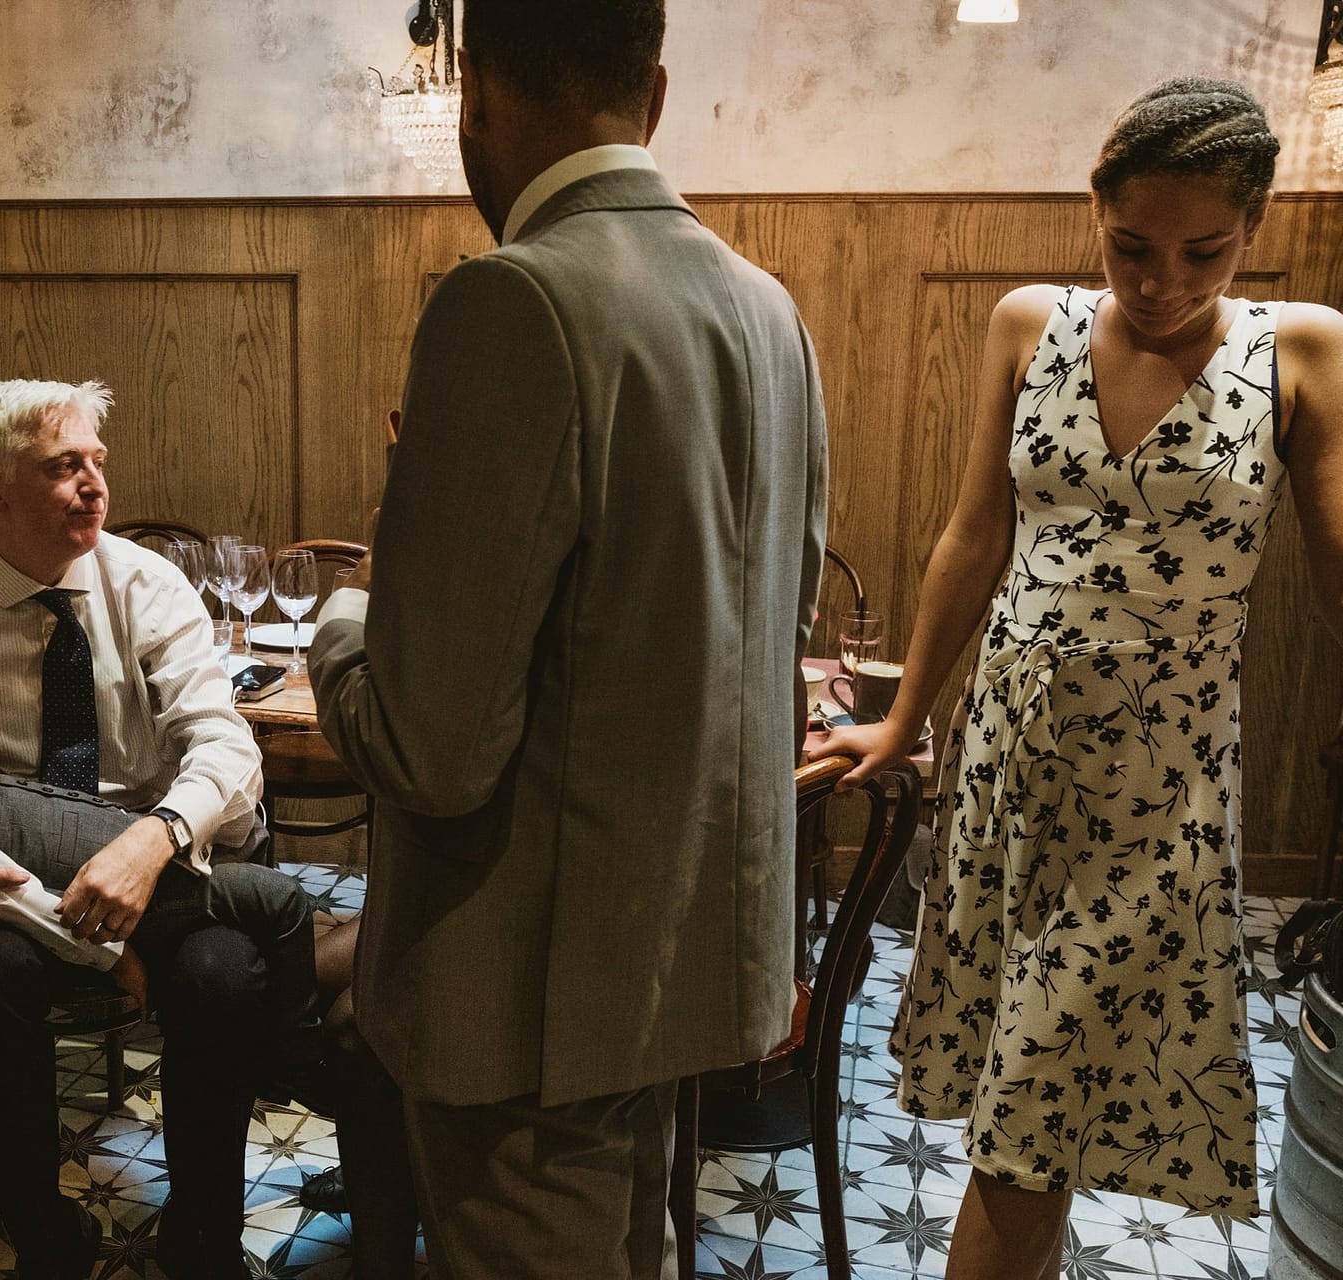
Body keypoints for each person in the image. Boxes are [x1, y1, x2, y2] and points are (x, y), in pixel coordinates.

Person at [306, 0, 829, 1272]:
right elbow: (773, 623)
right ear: (651, 95)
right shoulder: (768, 309)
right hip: (681, 950)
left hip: (522, 997)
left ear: (473, 87)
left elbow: (431, 750)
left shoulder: (514, 299)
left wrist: (347, 614)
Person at [812, 77, 1343, 1280]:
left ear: (1255, 226)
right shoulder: (1026, 321)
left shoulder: (1300, 347)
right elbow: (971, 537)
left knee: (1028, 1132)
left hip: (1161, 804)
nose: (1161, 280)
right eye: (1131, 245)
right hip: (1013, 772)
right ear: (1092, 210)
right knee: (1029, 1109)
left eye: (1204, 250)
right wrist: (904, 719)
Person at [0, 377, 307, 1279]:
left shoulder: (145, 584)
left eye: (97, 463)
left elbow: (225, 748)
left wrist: (153, 837)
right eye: (62, 468)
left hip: (149, 863)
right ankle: (47, 1239)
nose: (95, 487)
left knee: (226, 974)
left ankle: (203, 1234)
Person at [0, 668, 315, 1022]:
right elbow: (22, 897)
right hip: (151, 897)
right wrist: (117, 958)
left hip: (154, 849)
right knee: (283, 899)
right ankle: (295, 1039)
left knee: (247, 938)